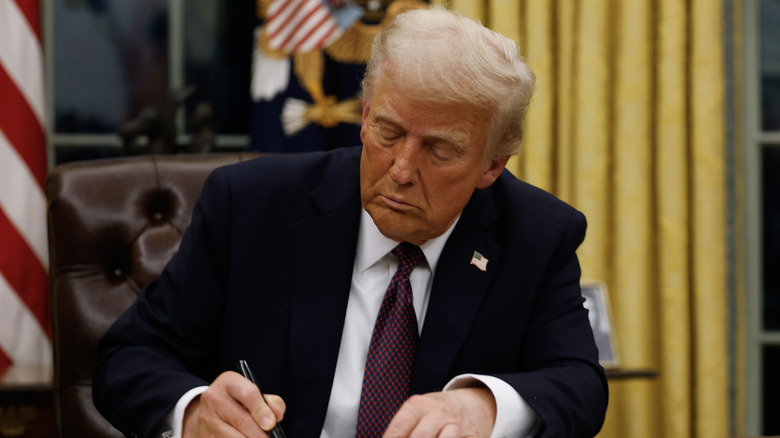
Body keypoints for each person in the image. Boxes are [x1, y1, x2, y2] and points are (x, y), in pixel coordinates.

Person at [93, 6, 608, 438]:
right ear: (364, 117)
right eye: (388, 131)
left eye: (440, 150)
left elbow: (579, 384)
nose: (402, 170)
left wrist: (483, 408)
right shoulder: (252, 207)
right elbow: (129, 356)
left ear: (492, 165)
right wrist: (195, 411)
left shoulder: (537, 235)